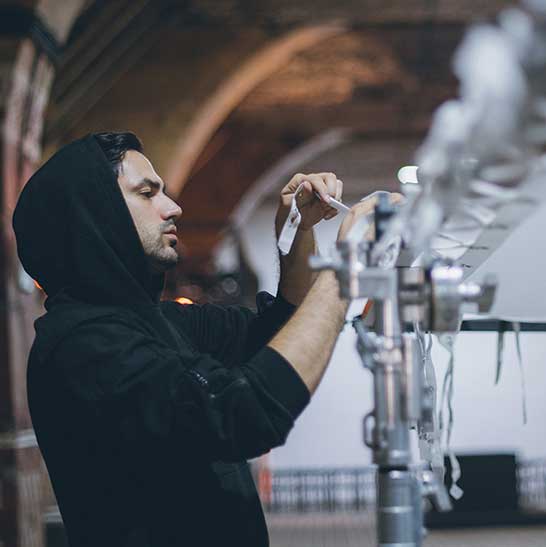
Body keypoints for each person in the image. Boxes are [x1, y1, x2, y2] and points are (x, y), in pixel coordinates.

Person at [13, 132, 389, 547]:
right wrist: (348, 268)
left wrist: (296, 231)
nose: (173, 207)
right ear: (95, 216)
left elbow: (287, 332)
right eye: (147, 193)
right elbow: (245, 413)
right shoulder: (84, 347)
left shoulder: (158, 322)